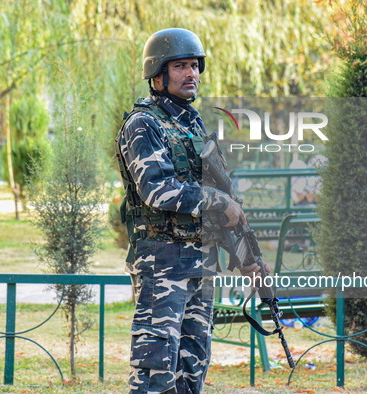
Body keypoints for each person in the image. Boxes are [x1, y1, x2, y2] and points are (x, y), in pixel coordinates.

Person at [115, 28, 263, 394]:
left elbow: (222, 200)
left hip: (201, 261)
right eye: (180, 66)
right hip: (162, 261)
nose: (191, 73)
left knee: (192, 365)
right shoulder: (143, 125)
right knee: (156, 368)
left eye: (195, 66)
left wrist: (247, 257)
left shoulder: (192, 123)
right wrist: (220, 202)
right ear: (158, 74)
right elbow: (158, 190)